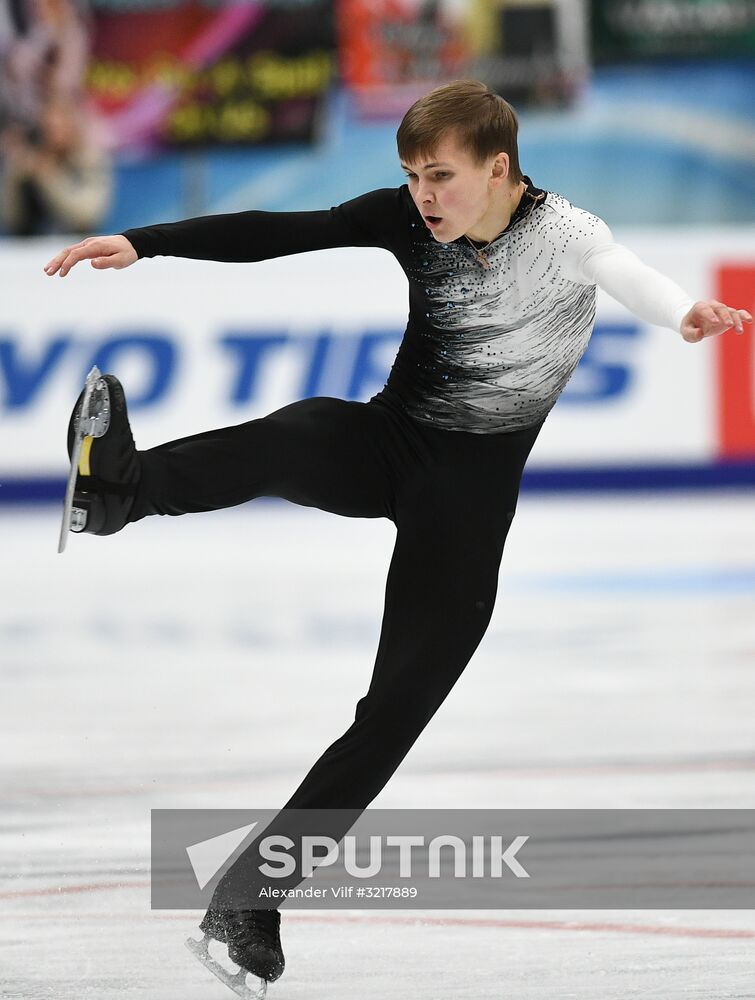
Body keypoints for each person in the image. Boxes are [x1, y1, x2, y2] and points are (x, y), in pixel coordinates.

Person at [44, 79, 751, 991]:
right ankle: (118, 494)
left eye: (442, 175)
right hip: (387, 444)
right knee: (300, 431)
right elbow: (278, 231)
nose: (424, 194)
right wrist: (145, 241)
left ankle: (251, 898)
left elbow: (625, 274)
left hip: (466, 499)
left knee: (390, 716)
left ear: (499, 169)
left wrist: (681, 311)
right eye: (413, 174)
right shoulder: (409, 222)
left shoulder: (566, 234)